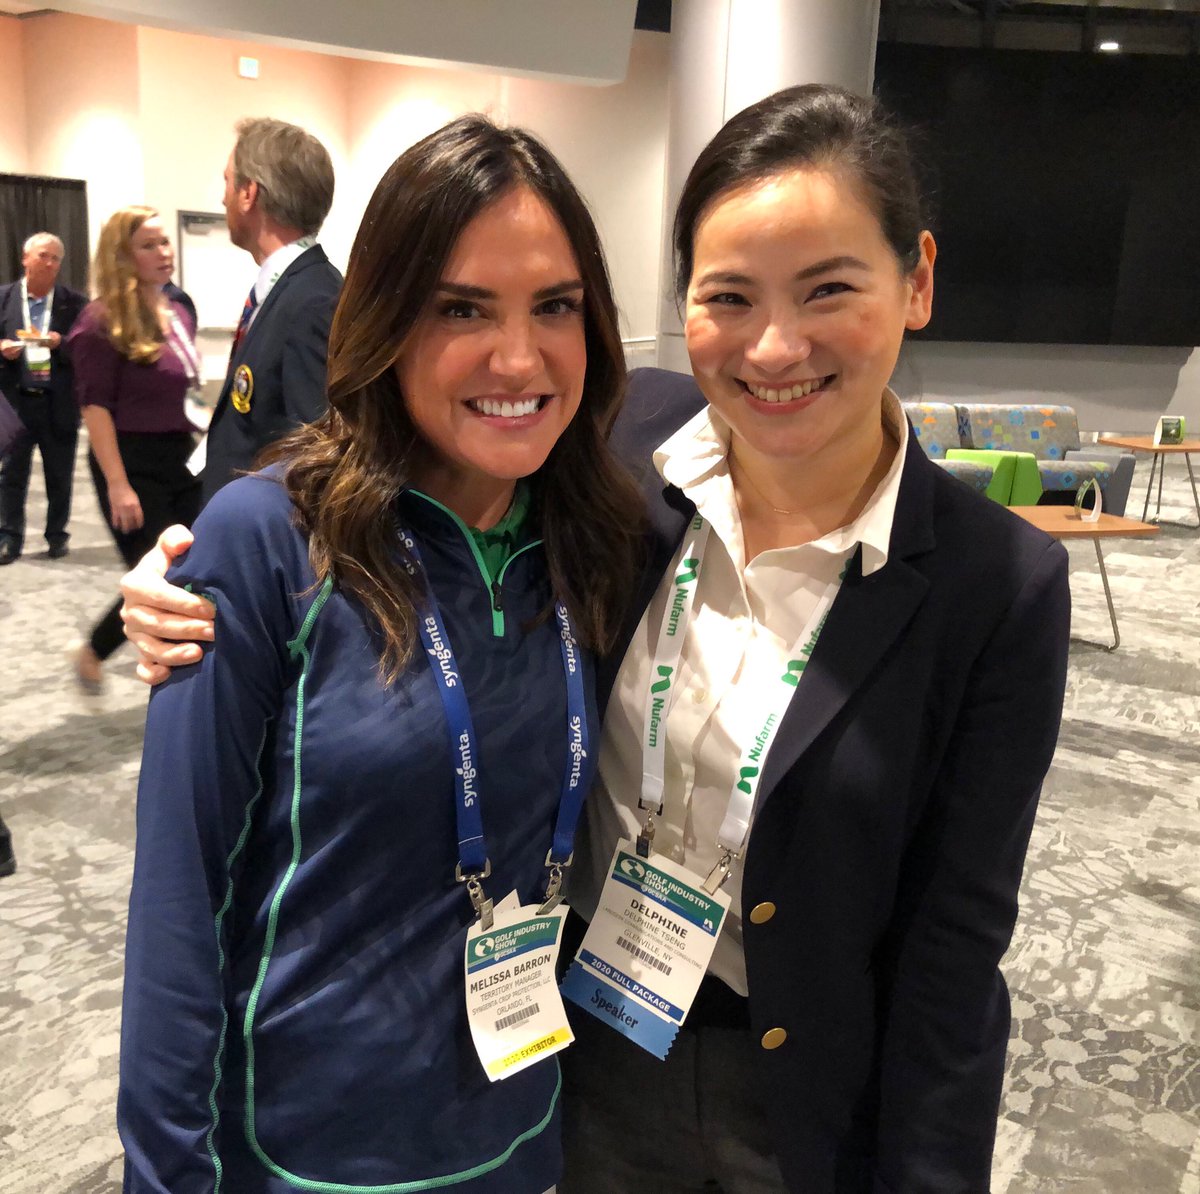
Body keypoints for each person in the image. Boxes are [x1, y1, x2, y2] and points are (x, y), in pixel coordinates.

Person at [121, 86, 1072, 1194]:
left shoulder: (991, 583)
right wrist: (190, 580)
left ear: (915, 282)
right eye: (730, 295)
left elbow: (955, 954)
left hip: (800, 1102)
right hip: (583, 1067)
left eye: (830, 289)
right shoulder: (623, 463)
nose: (776, 346)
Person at [117, 117, 642, 1192]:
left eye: (556, 307)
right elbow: (179, 911)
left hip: (519, 1137)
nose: (518, 357)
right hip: (298, 1158)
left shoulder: (596, 541)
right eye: (461, 309)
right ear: (388, 321)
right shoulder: (269, 542)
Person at [67, 207, 203, 693]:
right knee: (160, 577)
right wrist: (118, 485)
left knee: (197, 563)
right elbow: (95, 408)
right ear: (123, 256)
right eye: (149, 245)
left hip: (181, 454)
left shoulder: (179, 310)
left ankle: (155, 664)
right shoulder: (100, 321)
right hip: (129, 460)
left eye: (165, 242)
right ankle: (103, 653)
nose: (164, 253)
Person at [199, 116, 341, 504]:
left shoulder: (313, 302)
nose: (222, 198)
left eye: (227, 182)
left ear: (249, 193)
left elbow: (318, 457)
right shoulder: (288, 289)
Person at [0, 232, 87, 564]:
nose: (49, 263)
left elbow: (86, 351)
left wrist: (60, 344)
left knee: (59, 473)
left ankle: (56, 535)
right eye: (43, 256)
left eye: (55, 258)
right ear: (25, 258)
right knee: (11, 474)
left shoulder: (75, 303)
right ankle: (9, 537)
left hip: (57, 402)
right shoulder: (4, 298)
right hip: (15, 401)